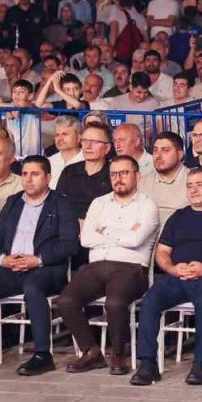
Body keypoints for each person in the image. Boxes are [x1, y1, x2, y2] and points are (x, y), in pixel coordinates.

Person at [130, 168, 202, 386]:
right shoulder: (178, 217)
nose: (194, 190)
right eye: (190, 185)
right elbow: (162, 252)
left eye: (200, 185)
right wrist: (173, 269)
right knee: (151, 299)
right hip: (178, 276)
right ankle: (147, 364)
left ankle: (200, 364)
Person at [0, 156, 79, 375]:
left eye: (35, 174)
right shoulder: (13, 202)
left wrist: (38, 259)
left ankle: (43, 355)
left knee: (33, 288)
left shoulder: (61, 203)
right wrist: (3, 259)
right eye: (24, 174)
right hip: (11, 266)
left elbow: (70, 244)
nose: (28, 179)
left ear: (48, 177)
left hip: (46, 268)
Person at [57, 155, 158, 376]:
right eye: (114, 174)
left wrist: (103, 230)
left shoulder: (147, 205)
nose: (118, 178)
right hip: (96, 267)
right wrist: (122, 233)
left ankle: (119, 354)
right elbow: (86, 239)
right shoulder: (99, 203)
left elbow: (135, 240)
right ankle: (91, 351)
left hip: (130, 268)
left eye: (124, 173)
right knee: (66, 300)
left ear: (137, 176)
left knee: (115, 303)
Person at [138, 132, 189, 225]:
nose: (158, 156)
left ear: (180, 154)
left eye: (165, 150)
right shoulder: (142, 183)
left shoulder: (194, 181)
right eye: (155, 150)